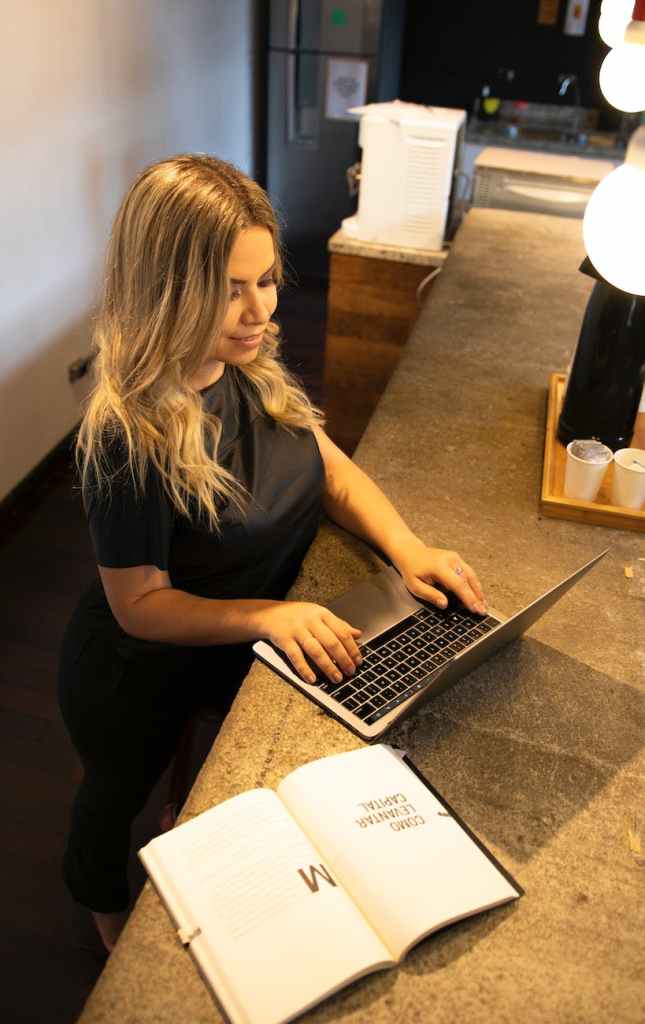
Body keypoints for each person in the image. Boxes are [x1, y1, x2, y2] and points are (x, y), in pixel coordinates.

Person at [57, 153, 487, 953]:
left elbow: (324, 463)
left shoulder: (244, 361)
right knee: (110, 800)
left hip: (230, 648)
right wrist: (274, 613)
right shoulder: (126, 433)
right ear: (164, 287)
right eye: (229, 287)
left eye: (266, 279)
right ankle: (102, 916)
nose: (260, 310)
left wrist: (406, 545)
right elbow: (138, 603)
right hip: (133, 671)